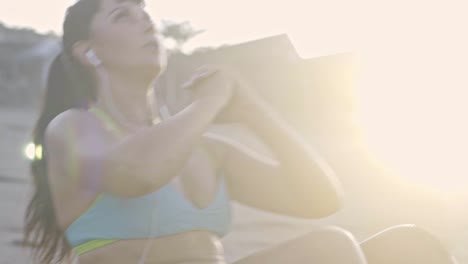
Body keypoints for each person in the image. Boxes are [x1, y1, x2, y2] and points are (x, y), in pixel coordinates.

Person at [23, 0, 458, 263]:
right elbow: (138, 173)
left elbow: (319, 198)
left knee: (412, 247)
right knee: (329, 249)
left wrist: (253, 111)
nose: (146, 21)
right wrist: (209, 103)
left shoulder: (205, 148)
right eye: (122, 15)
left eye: (145, 12)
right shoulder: (74, 128)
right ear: (88, 52)